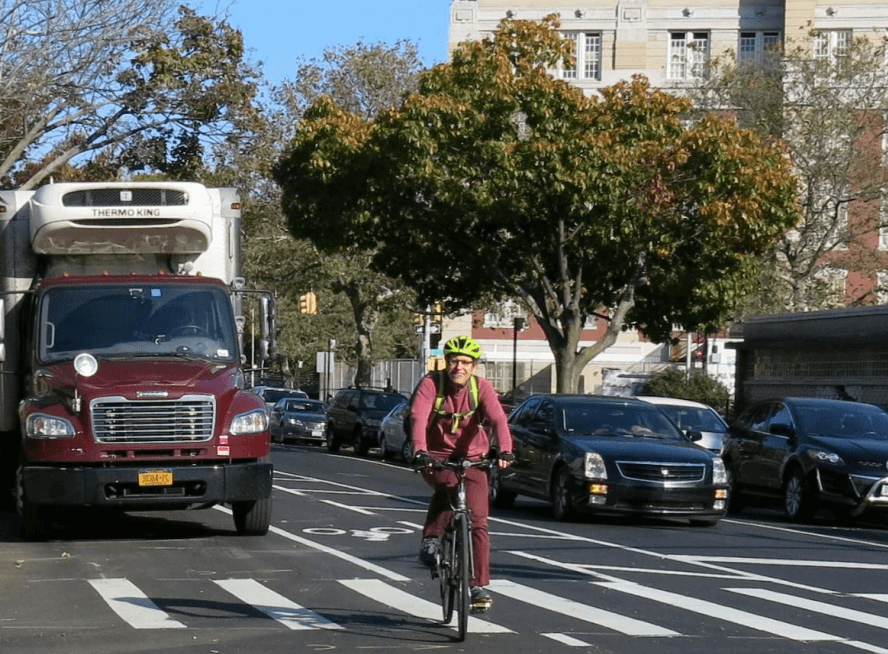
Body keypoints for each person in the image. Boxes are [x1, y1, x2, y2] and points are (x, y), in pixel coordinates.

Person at [410, 335, 514, 613]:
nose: (460, 367)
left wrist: (505, 450)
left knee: (479, 523)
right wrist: (420, 451)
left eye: (466, 362)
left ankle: (478, 586)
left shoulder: (482, 388)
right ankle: (432, 539)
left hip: (474, 460)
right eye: (454, 361)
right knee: (448, 486)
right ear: (446, 362)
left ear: (474, 366)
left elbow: (498, 419)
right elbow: (419, 417)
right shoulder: (432, 384)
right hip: (437, 457)